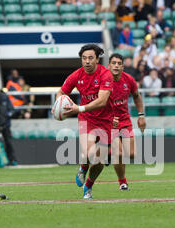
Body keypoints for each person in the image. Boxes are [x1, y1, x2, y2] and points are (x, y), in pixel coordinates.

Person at [55, 44, 113, 199]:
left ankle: (88, 184)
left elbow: (102, 101)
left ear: (97, 59)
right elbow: (61, 91)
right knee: (90, 153)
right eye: (84, 58)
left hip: (105, 121)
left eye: (90, 58)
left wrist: (78, 108)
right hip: (87, 120)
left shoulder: (106, 75)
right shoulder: (77, 75)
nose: (87, 61)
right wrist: (59, 104)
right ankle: (83, 167)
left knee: (99, 162)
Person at [107, 53, 145, 190]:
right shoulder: (103, 81)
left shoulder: (128, 80)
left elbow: (136, 96)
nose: (116, 65)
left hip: (125, 121)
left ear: (123, 66)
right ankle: (122, 182)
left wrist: (141, 115)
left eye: (119, 63)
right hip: (109, 123)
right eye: (113, 63)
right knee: (119, 154)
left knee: (132, 154)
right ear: (109, 65)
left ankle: (107, 152)